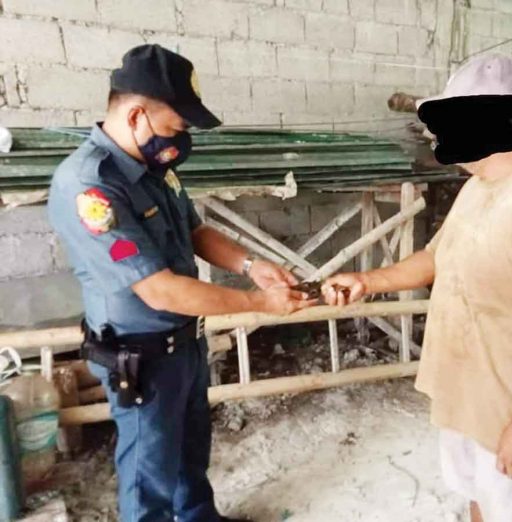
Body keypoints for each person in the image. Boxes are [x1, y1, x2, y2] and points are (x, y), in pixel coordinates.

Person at [322, 54, 512, 522]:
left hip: (510, 407)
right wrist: (367, 281)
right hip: (468, 396)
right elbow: (437, 256)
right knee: (479, 502)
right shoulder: (481, 183)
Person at [48, 44, 314, 522]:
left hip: (184, 344)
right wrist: (261, 303)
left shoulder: (156, 170)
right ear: (135, 117)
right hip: (141, 355)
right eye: (176, 127)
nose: (181, 140)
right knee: (149, 471)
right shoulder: (91, 186)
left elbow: (195, 231)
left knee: (191, 453)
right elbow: (159, 289)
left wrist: (252, 264)